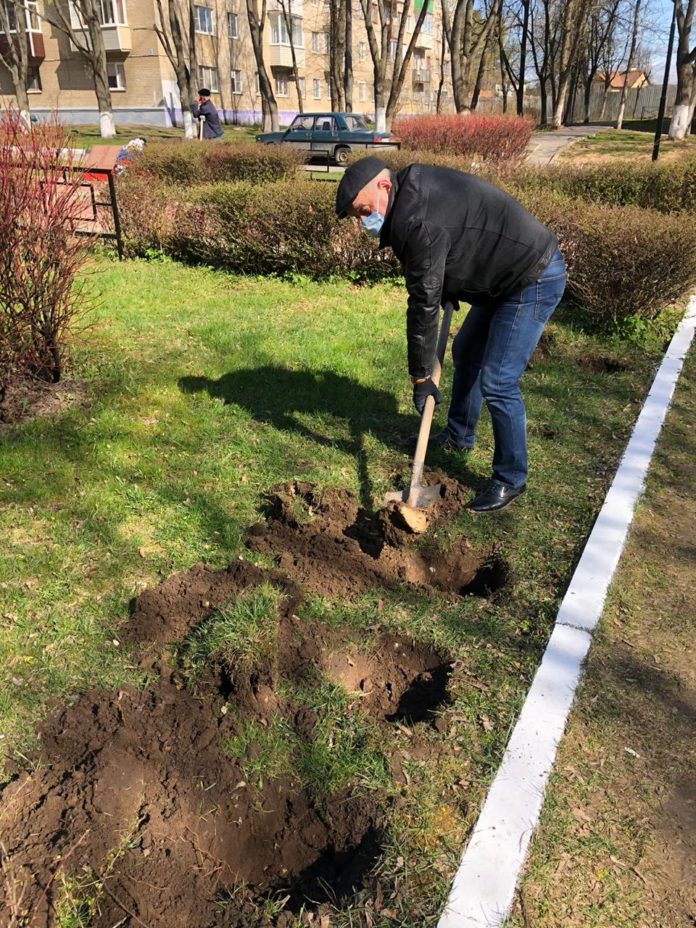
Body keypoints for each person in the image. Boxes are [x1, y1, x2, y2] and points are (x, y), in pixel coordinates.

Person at [335, 156, 567, 514]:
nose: (364, 222)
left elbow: (423, 303)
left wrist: (421, 377)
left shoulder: (417, 221)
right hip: (498, 278)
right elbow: (453, 237)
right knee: (465, 350)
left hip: (530, 278)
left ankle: (510, 478)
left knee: (499, 380)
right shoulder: (409, 192)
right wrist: (449, 282)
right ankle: (459, 435)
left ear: (384, 186)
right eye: (358, 217)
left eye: (365, 211)